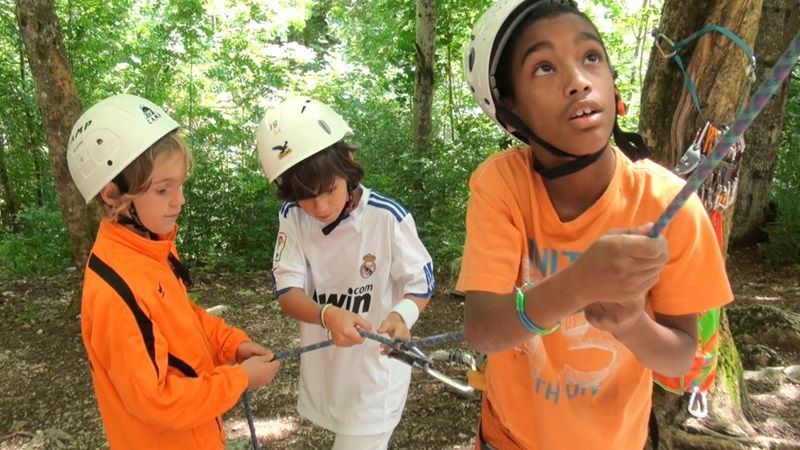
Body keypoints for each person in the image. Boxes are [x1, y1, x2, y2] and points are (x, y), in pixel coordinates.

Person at [457, 1, 733, 449]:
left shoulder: (669, 205)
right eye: (544, 68)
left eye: (591, 57)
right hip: (508, 437)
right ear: (510, 111)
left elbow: (682, 359)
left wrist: (632, 326)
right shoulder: (503, 186)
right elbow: (483, 328)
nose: (578, 81)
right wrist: (579, 284)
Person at [67, 94, 280, 449]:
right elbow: (155, 399)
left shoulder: (151, 249)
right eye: (163, 189)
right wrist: (239, 380)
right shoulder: (115, 291)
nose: (179, 199)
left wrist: (233, 345)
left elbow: (184, 321)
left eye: (179, 185)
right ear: (113, 195)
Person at [256, 96, 435, 450]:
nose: (319, 207)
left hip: (377, 371)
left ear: (348, 169)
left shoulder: (386, 218)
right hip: (329, 368)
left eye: (328, 191)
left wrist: (402, 315)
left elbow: (422, 281)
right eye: (306, 197)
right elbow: (287, 291)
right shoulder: (293, 218)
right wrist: (326, 314)